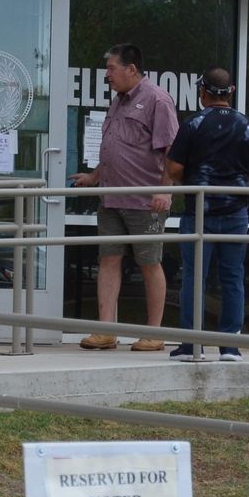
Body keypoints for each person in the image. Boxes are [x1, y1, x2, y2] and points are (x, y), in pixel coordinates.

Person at [70, 44, 178, 350]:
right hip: (111, 199)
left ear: (131, 69)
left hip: (145, 202)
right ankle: (106, 331)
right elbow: (115, 148)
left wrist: (164, 190)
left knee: (149, 264)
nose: (107, 76)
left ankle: (154, 333)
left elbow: (172, 150)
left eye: (112, 68)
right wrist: (94, 178)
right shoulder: (117, 103)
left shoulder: (157, 99)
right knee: (108, 260)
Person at [163, 67, 249, 361]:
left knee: (194, 277)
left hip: (199, 212)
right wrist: (242, 190)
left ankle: (190, 344)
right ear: (231, 92)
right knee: (233, 277)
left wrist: (192, 183)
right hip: (236, 213)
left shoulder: (194, 124)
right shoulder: (247, 126)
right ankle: (230, 346)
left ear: (203, 92)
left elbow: (173, 169)